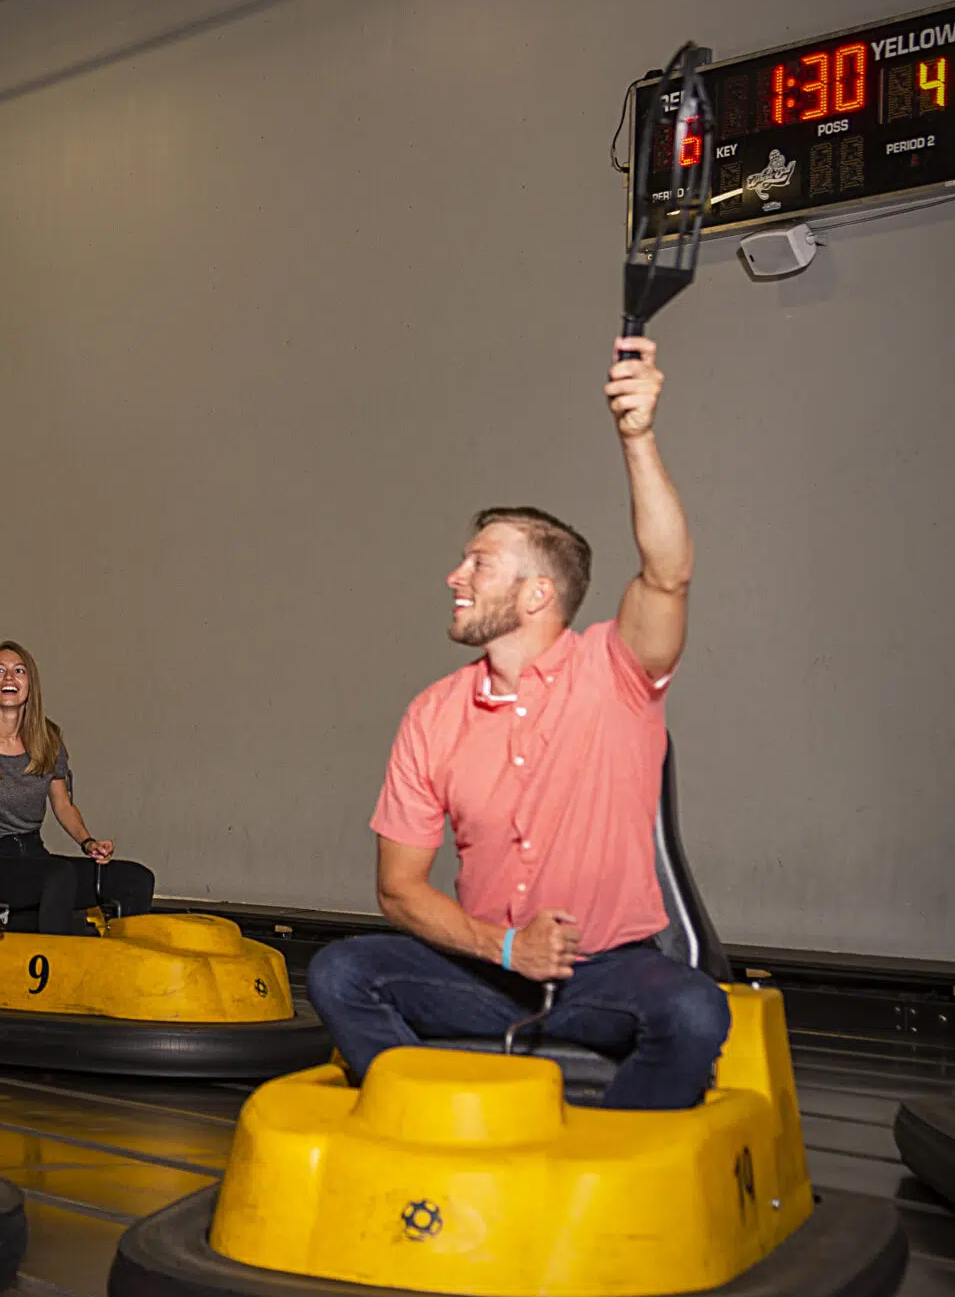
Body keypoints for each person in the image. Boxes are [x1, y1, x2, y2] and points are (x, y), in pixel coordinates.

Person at [306, 338, 729, 1110]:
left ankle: (613, 1163)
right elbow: (399, 891)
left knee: (696, 1011)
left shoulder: (615, 671)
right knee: (341, 973)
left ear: (537, 595)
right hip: (487, 971)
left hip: (605, 973)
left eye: (478, 564)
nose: (453, 577)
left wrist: (637, 436)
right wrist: (506, 947)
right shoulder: (434, 714)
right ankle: (436, 1122)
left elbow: (668, 572)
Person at [0, 641, 155, 934]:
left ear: (30, 685)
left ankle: (123, 968)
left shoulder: (48, 740)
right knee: (57, 877)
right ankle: (56, 970)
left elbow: (62, 805)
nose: (9, 678)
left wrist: (88, 843)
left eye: (19, 671)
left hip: (33, 856)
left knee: (136, 878)